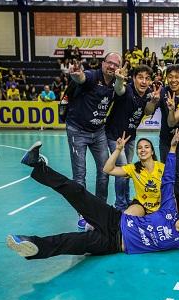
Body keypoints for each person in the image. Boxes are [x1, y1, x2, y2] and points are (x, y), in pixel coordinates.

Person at [7, 130, 179, 260]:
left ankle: (32, 246)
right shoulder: (170, 211)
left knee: (72, 243)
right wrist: (172, 149)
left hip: (115, 244)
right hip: (114, 219)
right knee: (76, 192)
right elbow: (169, 180)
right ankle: (38, 166)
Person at [66, 52, 122, 229]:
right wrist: (77, 75)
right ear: (102, 63)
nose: (111, 66)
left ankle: (99, 208)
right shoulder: (92, 76)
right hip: (78, 131)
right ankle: (83, 213)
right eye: (109, 63)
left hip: (98, 132)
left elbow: (121, 91)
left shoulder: (116, 82)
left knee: (105, 171)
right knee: (80, 175)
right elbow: (82, 78)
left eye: (115, 64)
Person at [104, 64, 161, 211]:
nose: (143, 81)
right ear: (133, 78)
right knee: (122, 167)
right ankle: (120, 205)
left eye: (147, 78)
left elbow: (148, 112)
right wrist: (118, 79)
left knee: (128, 171)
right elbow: (118, 89)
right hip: (115, 136)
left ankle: (126, 199)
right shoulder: (127, 89)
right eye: (140, 77)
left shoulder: (149, 93)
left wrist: (153, 102)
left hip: (130, 136)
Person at [104, 134, 164, 217]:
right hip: (141, 206)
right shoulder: (134, 168)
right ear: (137, 153)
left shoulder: (163, 167)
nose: (143, 149)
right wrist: (118, 149)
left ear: (152, 152)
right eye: (139, 148)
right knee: (127, 218)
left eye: (146, 147)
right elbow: (107, 169)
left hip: (160, 207)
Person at [157, 64, 179, 200]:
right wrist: (153, 100)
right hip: (166, 140)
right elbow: (149, 110)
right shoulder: (162, 92)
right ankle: (166, 201)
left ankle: (178, 202)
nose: (173, 80)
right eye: (170, 77)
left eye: (177, 77)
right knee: (166, 172)